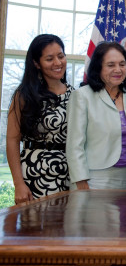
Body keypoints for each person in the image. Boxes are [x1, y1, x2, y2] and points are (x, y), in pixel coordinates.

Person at [6, 34, 74, 203]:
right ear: (36, 63)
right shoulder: (23, 95)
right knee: (35, 228)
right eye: (49, 59)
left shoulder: (76, 95)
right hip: (34, 174)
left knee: (66, 228)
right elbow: (12, 140)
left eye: (61, 56)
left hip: (69, 175)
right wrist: (18, 184)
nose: (58, 63)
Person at [66, 42, 126, 190]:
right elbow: (74, 145)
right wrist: (81, 182)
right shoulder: (82, 96)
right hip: (94, 179)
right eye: (111, 65)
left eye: (122, 64)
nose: (118, 70)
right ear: (98, 67)